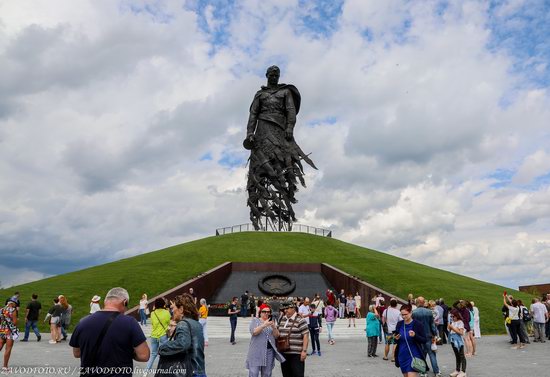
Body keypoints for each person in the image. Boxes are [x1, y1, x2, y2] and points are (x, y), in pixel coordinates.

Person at [244, 65, 317, 230]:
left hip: (280, 131)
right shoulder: (260, 95)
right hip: (262, 131)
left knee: (282, 165)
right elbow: (253, 115)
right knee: (259, 169)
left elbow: (291, 112)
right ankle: (257, 212)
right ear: (267, 75)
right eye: (272, 74)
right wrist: (250, 133)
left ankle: (285, 203)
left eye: (277, 74)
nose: (274, 76)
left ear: (279, 76)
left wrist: (290, 128)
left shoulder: (285, 92)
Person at [70, 287, 149, 376]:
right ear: (125, 302)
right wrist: (129, 352)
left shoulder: (83, 322)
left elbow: (76, 353)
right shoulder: (130, 323)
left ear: (105, 301)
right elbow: (144, 355)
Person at [158, 294, 206, 377]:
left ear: (181, 309)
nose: (172, 311)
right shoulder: (197, 324)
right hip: (200, 371)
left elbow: (182, 344)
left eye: (173, 308)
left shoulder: (183, 323)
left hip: (189, 372)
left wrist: (163, 347)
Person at [246, 305, 285, 377]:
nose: (266, 313)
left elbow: (276, 336)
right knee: (254, 373)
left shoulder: (272, 322)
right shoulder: (255, 320)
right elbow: (254, 332)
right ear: (260, 312)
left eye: (268, 312)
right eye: (264, 311)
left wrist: (274, 327)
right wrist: (264, 325)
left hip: (269, 351)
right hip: (256, 351)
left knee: (267, 373)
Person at [394, 304, 428, 377]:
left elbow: (424, 340)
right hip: (402, 355)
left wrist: (415, 336)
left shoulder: (418, 324)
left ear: (411, 313)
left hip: (414, 355)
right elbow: (397, 340)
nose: (403, 316)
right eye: (402, 315)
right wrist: (396, 339)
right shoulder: (399, 324)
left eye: (405, 314)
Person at [277, 301, 309, 377]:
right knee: (286, 374)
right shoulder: (282, 318)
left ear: (293, 308)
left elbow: (306, 336)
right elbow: (278, 333)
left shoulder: (300, 320)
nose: (285, 310)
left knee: (297, 374)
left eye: (287, 309)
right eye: (284, 309)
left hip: (296, 354)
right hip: (284, 353)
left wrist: (304, 351)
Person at [412, 297, 440, 376]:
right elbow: (432, 325)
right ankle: (436, 372)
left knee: (421, 354)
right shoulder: (429, 312)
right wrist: (435, 334)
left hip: (418, 336)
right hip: (428, 336)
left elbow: (413, 325)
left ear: (417, 303)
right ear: (424, 302)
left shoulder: (414, 313)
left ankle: (422, 372)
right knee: (432, 354)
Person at [146, 297, 171, 370]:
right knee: (163, 355)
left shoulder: (152, 313)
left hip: (153, 336)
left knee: (153, 354)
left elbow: (153, 324)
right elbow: (169, 323)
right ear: (163, 304)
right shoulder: (167, 312)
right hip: (163, 336)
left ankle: (145, 372)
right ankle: (163, 371)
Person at [0, 299, 18, 373]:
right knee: (8, 349)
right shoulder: (13, 310)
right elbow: (14, 322)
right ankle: (5, 366)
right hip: (10, 331)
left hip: (2, 330)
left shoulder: (1, 310)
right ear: (12, 303)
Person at [448, 309, 467, 377]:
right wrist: (449, 327)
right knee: (457, 355)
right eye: (451, 317)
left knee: (461, 355)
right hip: (453, 340)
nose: (452, 318)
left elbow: (461, 332)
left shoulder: (460, 322)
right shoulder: (453, 322)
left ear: (457, 316)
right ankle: (457, 370)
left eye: (453, 316)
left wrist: (452, 328)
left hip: (459, 341)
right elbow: (451, 330)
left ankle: (463, 371)